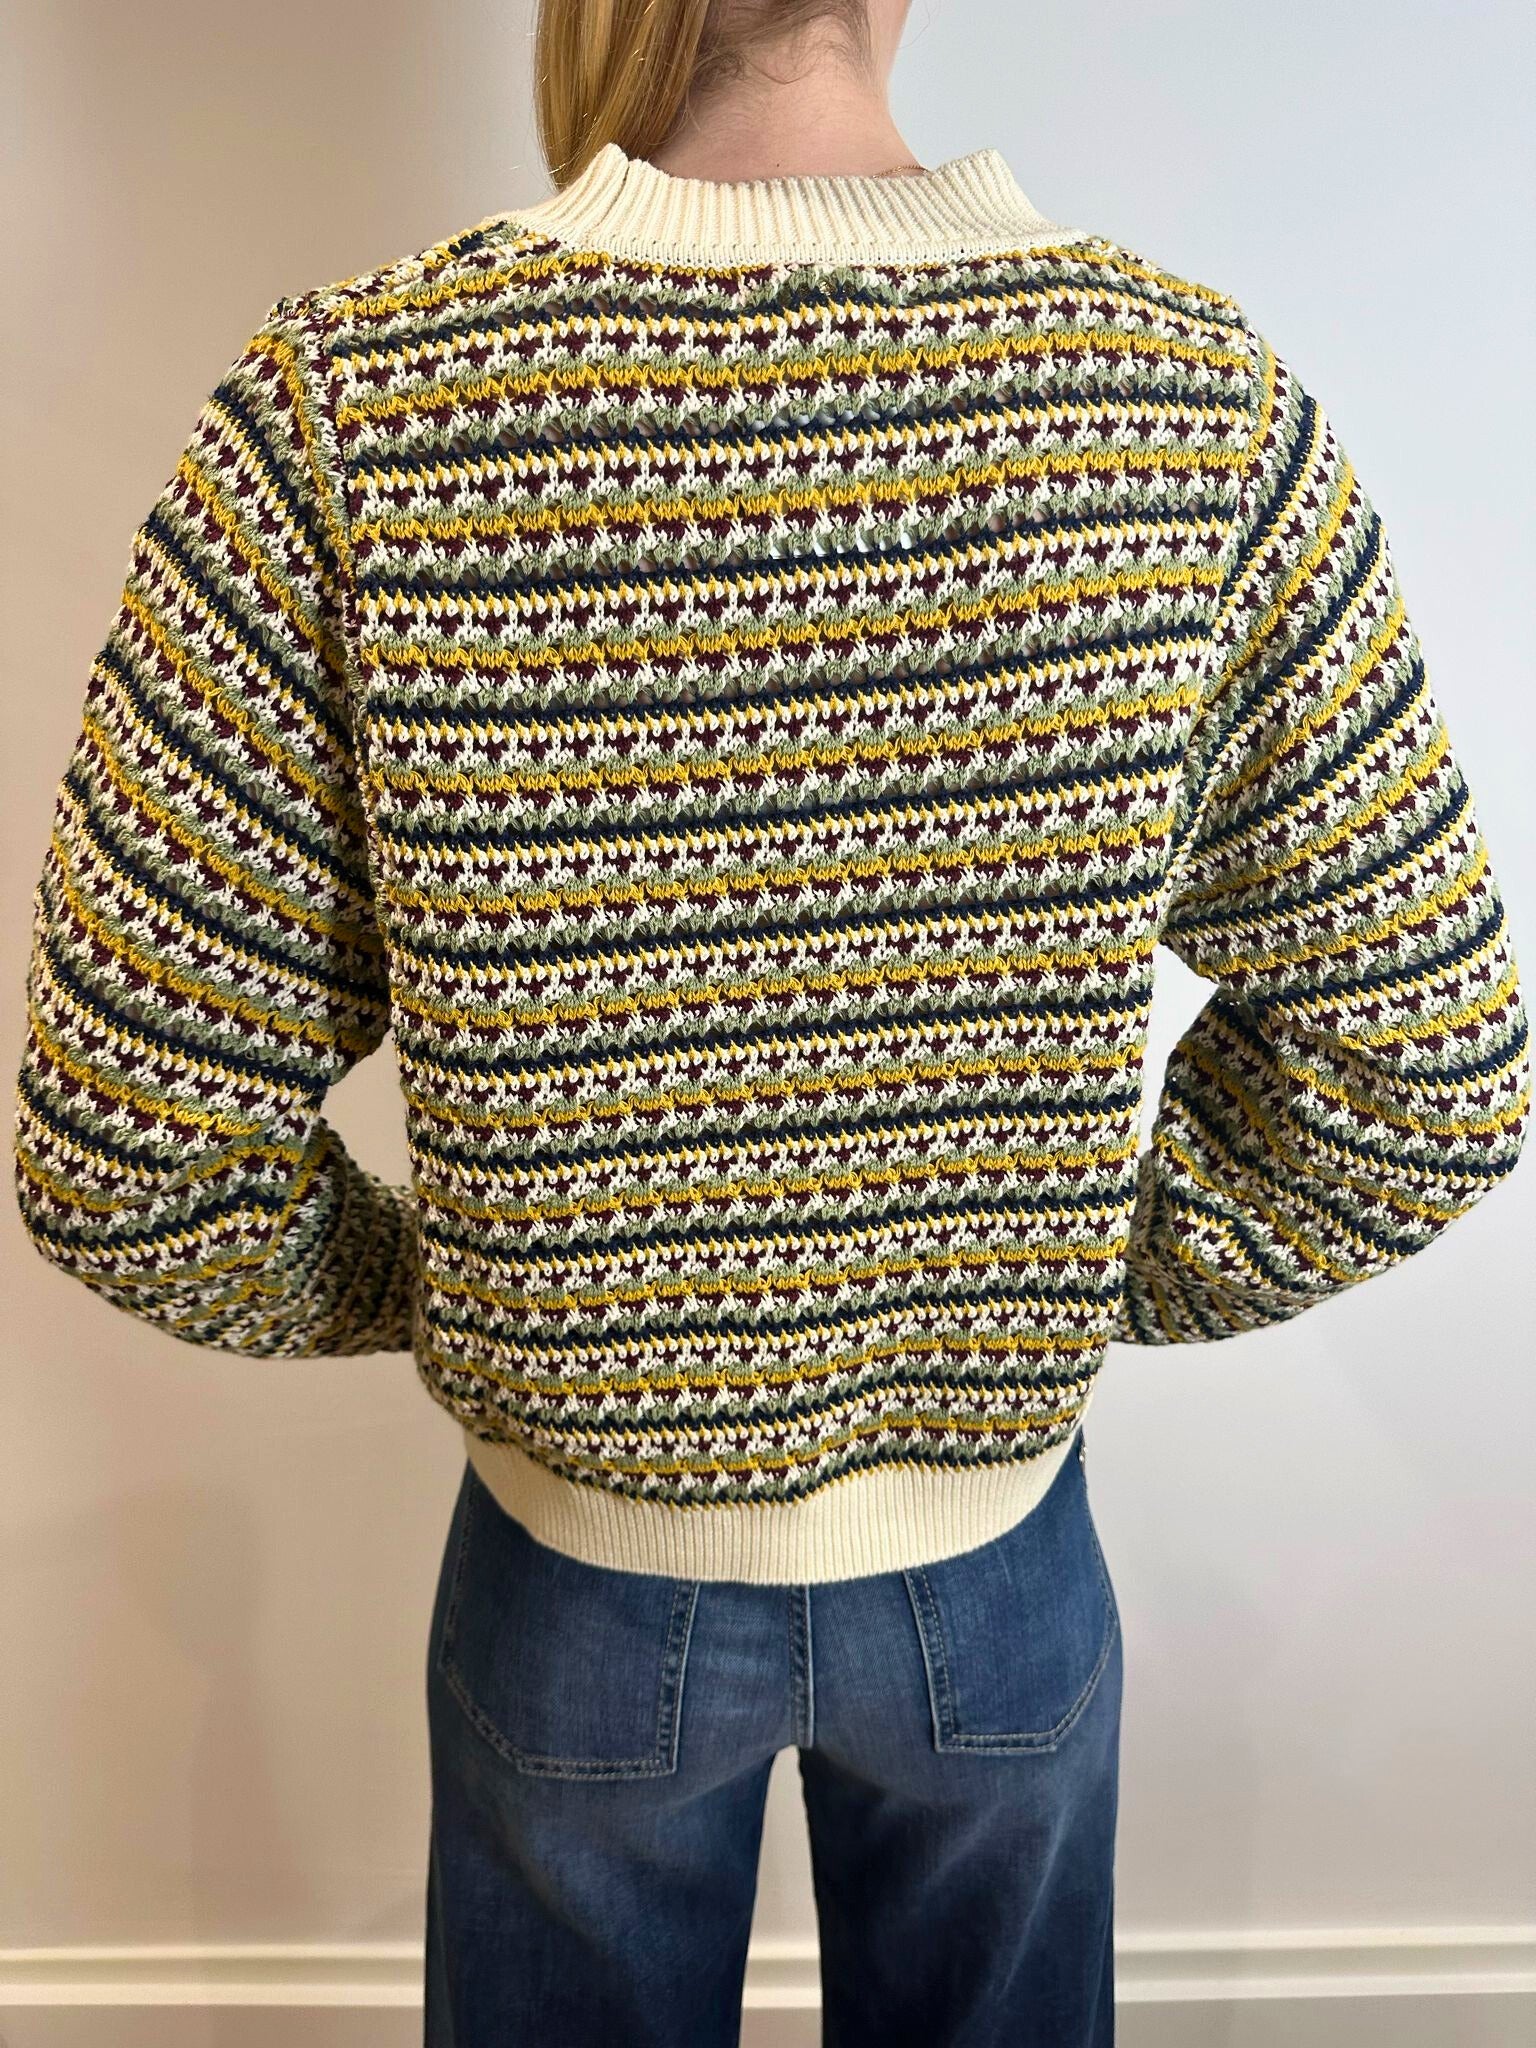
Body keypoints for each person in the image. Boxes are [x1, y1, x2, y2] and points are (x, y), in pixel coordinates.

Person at [11, 0, 1529, 2042]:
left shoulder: (352, 413)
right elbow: (1422, 1070)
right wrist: (1041, 1282)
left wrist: (473, 1297)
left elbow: (130, 1154)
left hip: (580, 1583)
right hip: (996, 1567)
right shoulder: (1186, 410)